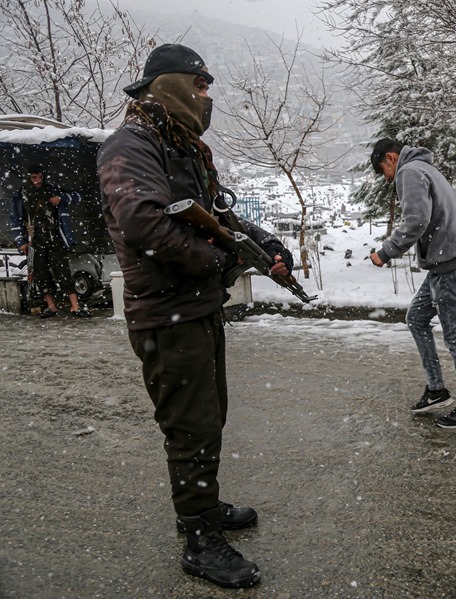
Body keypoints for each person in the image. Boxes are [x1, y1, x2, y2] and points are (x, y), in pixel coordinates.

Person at [97, 44, 293, 588]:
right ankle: (199, 537)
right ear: (170, 86)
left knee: (210, 417)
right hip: (165, 313)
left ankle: (204, 507)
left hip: (199, 307)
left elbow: (218, 213)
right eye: (200, 86)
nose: (207, 98)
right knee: (189, 427)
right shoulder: (130, 146)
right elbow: (143, 224)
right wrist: (221, 259)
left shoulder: (180, 147)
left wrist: (264, 243)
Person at [369, 138, 456, 429]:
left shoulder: (409, 172)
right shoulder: (427, 168)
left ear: (391, 158)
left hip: (450, 267)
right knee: (417, 318)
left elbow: (415, 220)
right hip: (445, 263)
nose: (387, 177)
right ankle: (437, 391)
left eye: (384, 169)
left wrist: (386, 252)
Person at [9, 165, 90, 318]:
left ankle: (75, 306)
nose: (37, 181)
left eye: (40, 177)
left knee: (63, 271)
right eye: (34, 177)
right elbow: (15, 220)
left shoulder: (52, 190)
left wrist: (61, 199)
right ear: (28, 178)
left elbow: (78, 196)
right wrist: (21, 241)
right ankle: (51, 306)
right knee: (40, 273)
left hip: (54, 236)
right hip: (34, 239)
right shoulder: (21, 195)